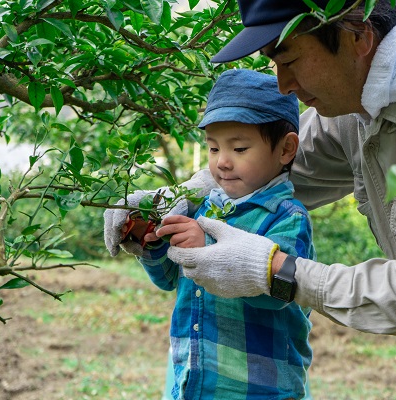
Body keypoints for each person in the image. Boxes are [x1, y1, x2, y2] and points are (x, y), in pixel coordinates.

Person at [105, 0, 396, 398]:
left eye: (290, 59)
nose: (283, 84)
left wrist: (274, 270)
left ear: (357, 37)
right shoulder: (357, 105)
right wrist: (167, 202)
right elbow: (267, 172)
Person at [108, 69, 316, 399]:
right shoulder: (203, 206)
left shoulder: (287, 217)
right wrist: (152, 244)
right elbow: (169, 278)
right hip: (193, 382)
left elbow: (281, 293)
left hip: (257, 390)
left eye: (240, 149)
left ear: (286, 149)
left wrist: (207, 248)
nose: (222, 163)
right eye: (214, 148)